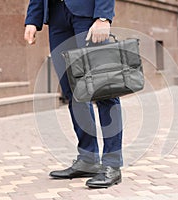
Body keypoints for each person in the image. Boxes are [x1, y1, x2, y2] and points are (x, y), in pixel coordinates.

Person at [24, 0, 123, 188]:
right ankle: (88, 158)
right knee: (73, 91)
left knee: (103, 89)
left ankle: (112, 163)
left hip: (87, 14)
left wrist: (103, 16)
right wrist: (33, 19)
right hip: (56, 17)